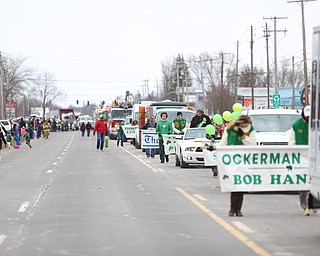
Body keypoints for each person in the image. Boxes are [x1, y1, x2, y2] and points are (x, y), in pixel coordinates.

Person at [219, 114, 256, 217]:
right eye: (242, 126)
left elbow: (252, 144)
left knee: (242, 186)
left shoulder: (251, 130)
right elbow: (223, 143)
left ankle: (239, 209)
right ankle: (232, 209)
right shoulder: (229, 130)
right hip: (232, 162)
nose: (244, 127)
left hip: (245, 161)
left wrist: (244, 137)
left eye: (246, 126)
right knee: (233, 185)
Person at [288, 105, 316, 216]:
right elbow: (292, 141)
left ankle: (314, 203)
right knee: (303, 181)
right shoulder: (296, 125)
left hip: (314, 157)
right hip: (301, 157)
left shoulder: (316, 124)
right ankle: (305, 206)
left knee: (314, 181)